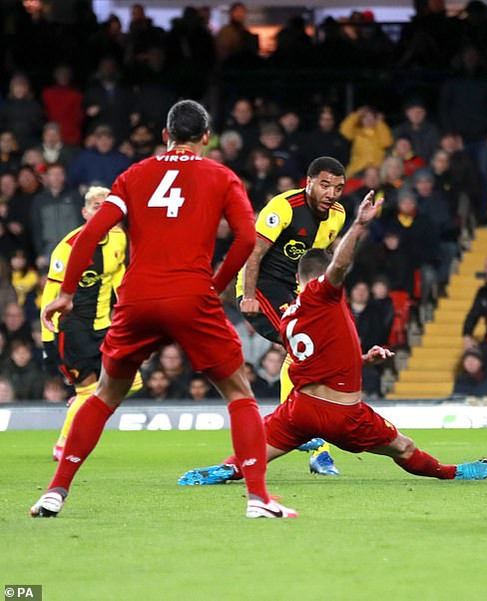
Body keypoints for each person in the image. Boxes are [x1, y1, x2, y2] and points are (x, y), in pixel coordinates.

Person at [32, 100, 296, 519]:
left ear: (164, 135)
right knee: (239, 395)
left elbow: (90, 233)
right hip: (192, 296)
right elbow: (246, 238)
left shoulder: (134, 175)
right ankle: (258, 498)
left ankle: (54, 492)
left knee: (102, 396)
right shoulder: (221, 176)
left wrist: (65, 292)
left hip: (137, 298)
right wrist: (216, 283)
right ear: (206, 137)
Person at [179, 193, 487, 486]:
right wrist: (358, 225)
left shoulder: (287, 315)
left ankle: (220, 471)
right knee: (403, 448)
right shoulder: (321, 295)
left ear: (296, 278)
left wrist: (360, 360)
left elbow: (319, 359)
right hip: (343, 415)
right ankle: (453, 473)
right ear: (320, 276)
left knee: (254, 454)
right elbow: (340, 264)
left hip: (299, 410)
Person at [236, 156, 351, 475]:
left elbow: (320, 258)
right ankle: (296, 427)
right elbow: (253, 253)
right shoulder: (283, 207)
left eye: (338, 188)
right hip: (260, 288)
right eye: (325, 185)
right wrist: (247, 296)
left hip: (294, 288)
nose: (332, 193)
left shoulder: (338, 216)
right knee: (302, 346)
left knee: (318, 353)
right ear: (309, 182)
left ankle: (318, 450)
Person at [41, 185, 144, 461]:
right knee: (88, 390)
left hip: (105, 325)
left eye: (108, 206)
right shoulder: (67, 248)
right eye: (97, 206)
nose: (103, 211)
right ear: (85, 212)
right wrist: (47, 340)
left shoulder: (119, 238)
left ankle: (81, 405)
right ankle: (62, 444)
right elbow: (50, 297)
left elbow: (119, 272)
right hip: (73, 328)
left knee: (134, 382)